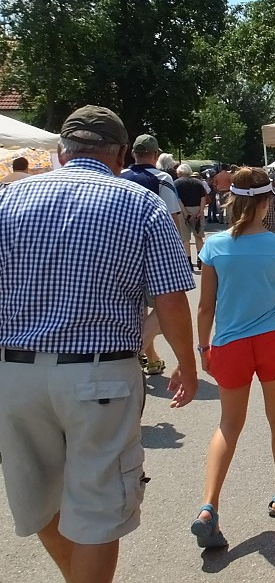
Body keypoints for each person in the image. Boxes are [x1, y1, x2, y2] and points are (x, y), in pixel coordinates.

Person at [0, 105, 197, 583]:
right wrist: (187, 364)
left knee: (38, 499)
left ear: (63, 153)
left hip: (17, 373)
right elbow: (171, 300)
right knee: (99, 508)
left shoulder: (9, 200)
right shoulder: (140, 203)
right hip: (100, 374)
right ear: (121, 153)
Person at [191, 167, 275, 549]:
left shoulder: (214, 246)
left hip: (230, 343)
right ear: (265, 202)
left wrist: (202, 348)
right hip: (274, 340)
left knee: (228, 425)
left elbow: (205, 307)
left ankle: (209, 505)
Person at [122, 134, 182, 377]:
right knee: (163, 304)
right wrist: (177, 247)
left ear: (133, 153)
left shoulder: (120, 176)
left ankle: (152, 358)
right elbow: (171, 215)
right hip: (153, 250)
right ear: (156, 155)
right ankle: (137, 349)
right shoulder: (162, 177)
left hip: (123, 250)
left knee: (138, 308)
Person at [175, 163, 209, 269]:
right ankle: (200, 260)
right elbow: (203, 198)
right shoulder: (198, 183)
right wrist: (200, 211)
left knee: (185, 238)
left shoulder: (176, 183)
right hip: (197, 208)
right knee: (198, 236)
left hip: (183, 210)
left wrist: (185, 213)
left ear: (179, 172)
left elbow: (178, 200)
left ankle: (188, 262)